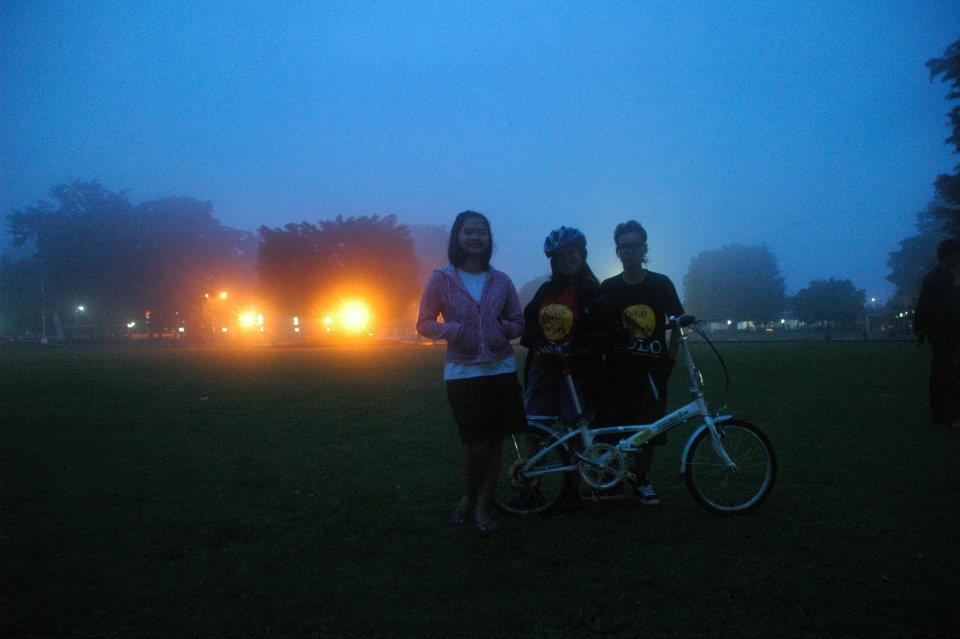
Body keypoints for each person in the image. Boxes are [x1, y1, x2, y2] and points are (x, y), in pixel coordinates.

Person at [416, 210, 525, 534]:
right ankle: (470, 495)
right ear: (457, 237)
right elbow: (424, 323)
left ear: (489, 239)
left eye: (481, 232)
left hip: (501, 370)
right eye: (469, 231)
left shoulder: (501, 281)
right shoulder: (441, 279)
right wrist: (455, 331)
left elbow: (518, 321)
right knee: (476, 444)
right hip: (463, 373)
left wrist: (501, 330)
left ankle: (481, 506)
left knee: (496, 444)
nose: (476, 237)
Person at [598, 220, 684, 505]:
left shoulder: (661, 284)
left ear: (645, 248)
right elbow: (602, 329)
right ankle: (612, 480)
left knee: (649, 428)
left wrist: (670, 359)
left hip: (652, 370)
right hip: (617, 371)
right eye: (624, 246)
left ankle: (641, 480)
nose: (630, 251)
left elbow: (677, 324)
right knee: (614, 429)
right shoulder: (609, 287)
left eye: (635, 245)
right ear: (617, 251)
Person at [521, 226, 603, 426]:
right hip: (543, 368)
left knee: (577, 429)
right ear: (554, 261)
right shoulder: (546, 290)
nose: (566, 259)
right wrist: (539, 341)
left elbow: (602, 330)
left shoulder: (593, 291)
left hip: (577, 372)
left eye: (571, 252)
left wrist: (579, 345)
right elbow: (530, 320)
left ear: (582, 254)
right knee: (536, 426)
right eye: (560, 256)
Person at [913, 238, 960, 429]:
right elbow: (926, 305)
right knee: (948, 372)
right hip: (942, 330)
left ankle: (939, 414)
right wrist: (920, 329)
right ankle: (952, 416)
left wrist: (920, 330)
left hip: (941, 330)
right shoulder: (941, 278)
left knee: (940, 371)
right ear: (950, 256)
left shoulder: (941, 276)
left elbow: (923, 305)